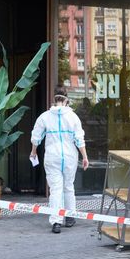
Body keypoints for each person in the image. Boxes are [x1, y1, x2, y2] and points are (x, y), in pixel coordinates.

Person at [30, 85, 89, 234]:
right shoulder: (73, 117)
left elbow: (36, 136)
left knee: (55, 189)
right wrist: (85, 157)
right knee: (68, 187)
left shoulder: (45, 117)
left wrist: (33, 152)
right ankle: (70, 217)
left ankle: (56, 221)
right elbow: (79, 139)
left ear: (54, 98)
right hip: (69, 156)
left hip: (52, 156)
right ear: (66, 98)